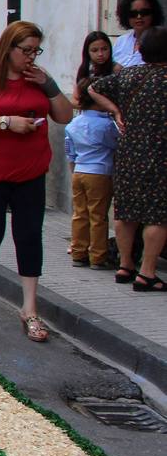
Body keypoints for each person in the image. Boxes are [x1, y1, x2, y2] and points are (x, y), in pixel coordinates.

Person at [0, 21, 74, 341]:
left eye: (36, 50)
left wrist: (49, 85)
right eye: (26, 51)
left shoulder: (37, 78)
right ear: (9, 48)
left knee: (29, 235)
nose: (31, 57)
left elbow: (65, 116)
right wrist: (7, 123)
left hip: (30, 170)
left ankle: (30, 308)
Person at [87, 26, 167, 293]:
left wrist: (115, 110)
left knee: (126, 210)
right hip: (160, 153)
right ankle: (147, 272)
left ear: (139, 50)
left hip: (128, 150)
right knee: (157, 215)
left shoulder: (128, 75)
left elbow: (93, 88)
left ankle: (125, 265)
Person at [64, 79, 118, 270]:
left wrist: (74, 168)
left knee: (80, 214)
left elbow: (69, 150)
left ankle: (79, 252)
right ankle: (98, 256)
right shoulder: (107, 125)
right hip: (100, 171)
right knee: (98, 216)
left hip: (79, 170)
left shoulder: (73, 123)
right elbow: (115, 144)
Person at [111, 0, 163, 67]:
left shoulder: (162, 42)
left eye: (144, 12)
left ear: (153, 14)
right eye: (133, 14)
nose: (139, 17)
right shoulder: (120, 41)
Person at [74, 30, 118, 107]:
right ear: (87, 52)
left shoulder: (116, 69)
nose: (100, 54)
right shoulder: (85, 68)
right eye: (94, 50)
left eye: (104, 49)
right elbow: (75, 98)